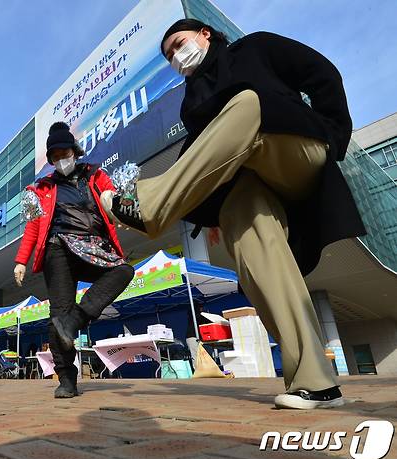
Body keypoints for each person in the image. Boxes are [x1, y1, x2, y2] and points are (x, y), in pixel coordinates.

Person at [101, 19, 365, 409]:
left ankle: (150, 206)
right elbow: (202, 160)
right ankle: (315, 380)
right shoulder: (192, 101)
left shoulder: (255, 48)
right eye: (169, 55)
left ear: (205, 33)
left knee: (246, 103)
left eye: (178, 43)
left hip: (295, 150)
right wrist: (211, 214)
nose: (176, 56)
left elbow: (321, 72)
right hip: (251, 181)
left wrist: (333, 135)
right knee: (251, 239)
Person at [14, 122, 134, 398]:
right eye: (54, 157)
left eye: (63, 153)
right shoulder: (42, 188)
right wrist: (22, 260)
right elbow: (33, 226)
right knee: (58, 314)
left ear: (74, 151)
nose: (60, 160)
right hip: (58, 249)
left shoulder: (95, 175)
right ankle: (67, 379)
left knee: (124, 271)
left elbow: (111, 198)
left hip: (93, 246)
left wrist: (124, 209)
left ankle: (76, 319)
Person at [185, 302, 210, 371]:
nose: (202, 309)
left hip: (194, 337)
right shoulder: (194, 315)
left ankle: (203, 371)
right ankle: (199, 372)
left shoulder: (195, 315)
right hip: (192, 337)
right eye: (201, 308)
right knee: (196, 355)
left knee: (199, 355)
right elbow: (202, 319)